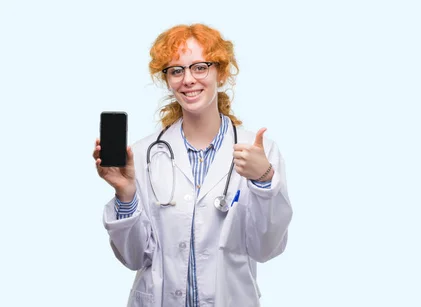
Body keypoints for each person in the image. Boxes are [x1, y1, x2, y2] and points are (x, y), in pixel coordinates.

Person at [92, 23, 293, 307]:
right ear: (167, 79)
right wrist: (125, 194)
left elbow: (266, 248)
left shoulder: (259, 151)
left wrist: (263, 179)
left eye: (200, 67)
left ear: (220, 73)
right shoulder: (143, 154)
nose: (188, 79)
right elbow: (134, 257)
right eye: (176, 70)